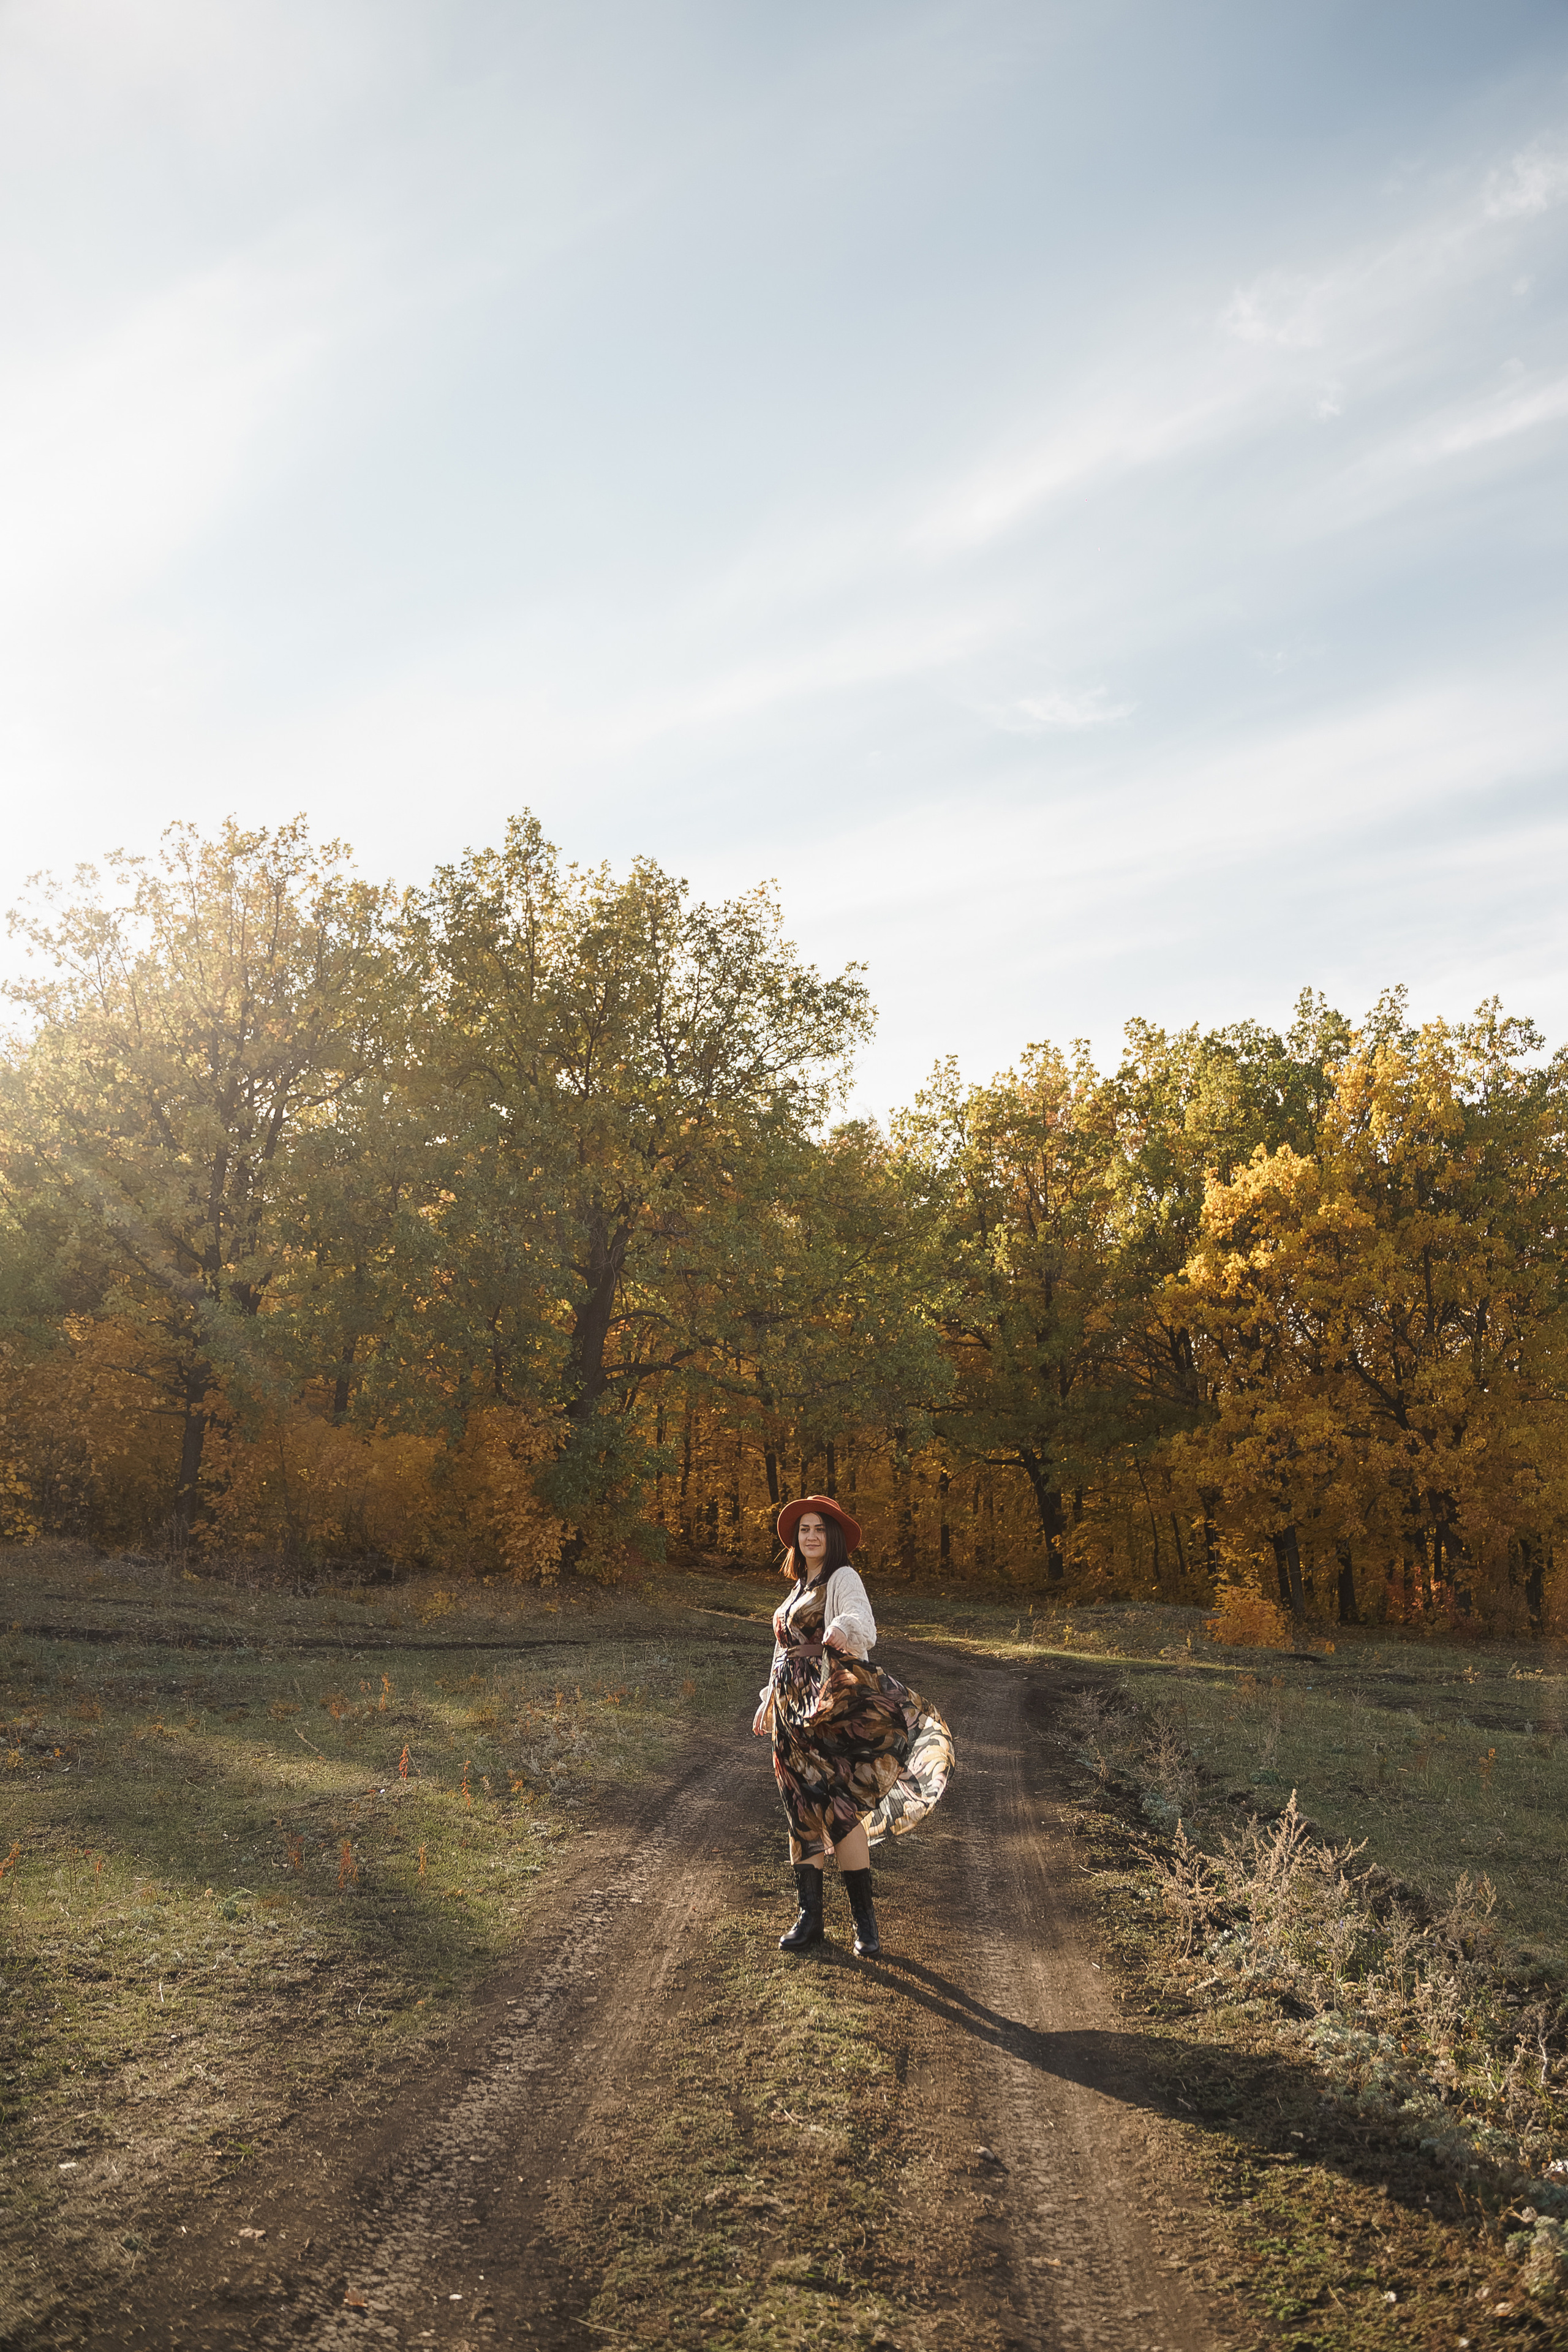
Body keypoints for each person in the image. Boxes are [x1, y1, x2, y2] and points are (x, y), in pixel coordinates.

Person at [753, 1493, 954, 1956]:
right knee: (801, 1808)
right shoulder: (797, 1590)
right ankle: (810, 1920)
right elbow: (783, 1654)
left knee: (841, 1811)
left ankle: (865, 1924)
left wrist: (841, 1628)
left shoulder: (843, 1578)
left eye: (819, 1529)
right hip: (790, 1713)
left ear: (833, 1536)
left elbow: (862, 1622)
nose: (810, 1536)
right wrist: (767, 1702)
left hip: (829, 1707)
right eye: (804, 1529)